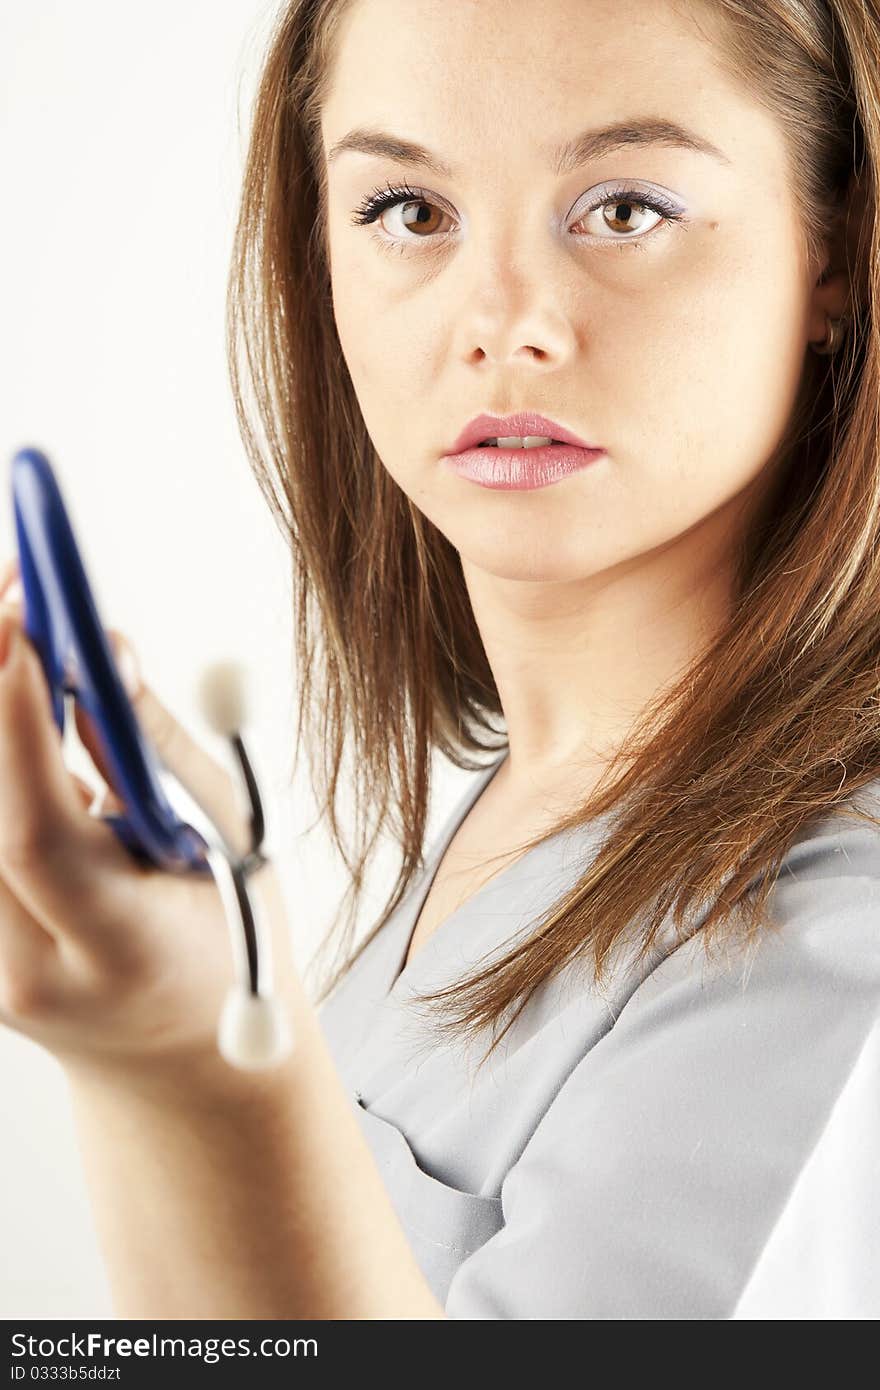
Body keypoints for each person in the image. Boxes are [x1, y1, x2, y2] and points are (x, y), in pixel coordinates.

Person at [0, 0, 878, 1319]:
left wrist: (193, 1063)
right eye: (409, 209)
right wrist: (144, 1054)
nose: (500, 325)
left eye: (626, 207)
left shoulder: (833, 925)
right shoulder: (509, 809)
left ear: (841, 250)